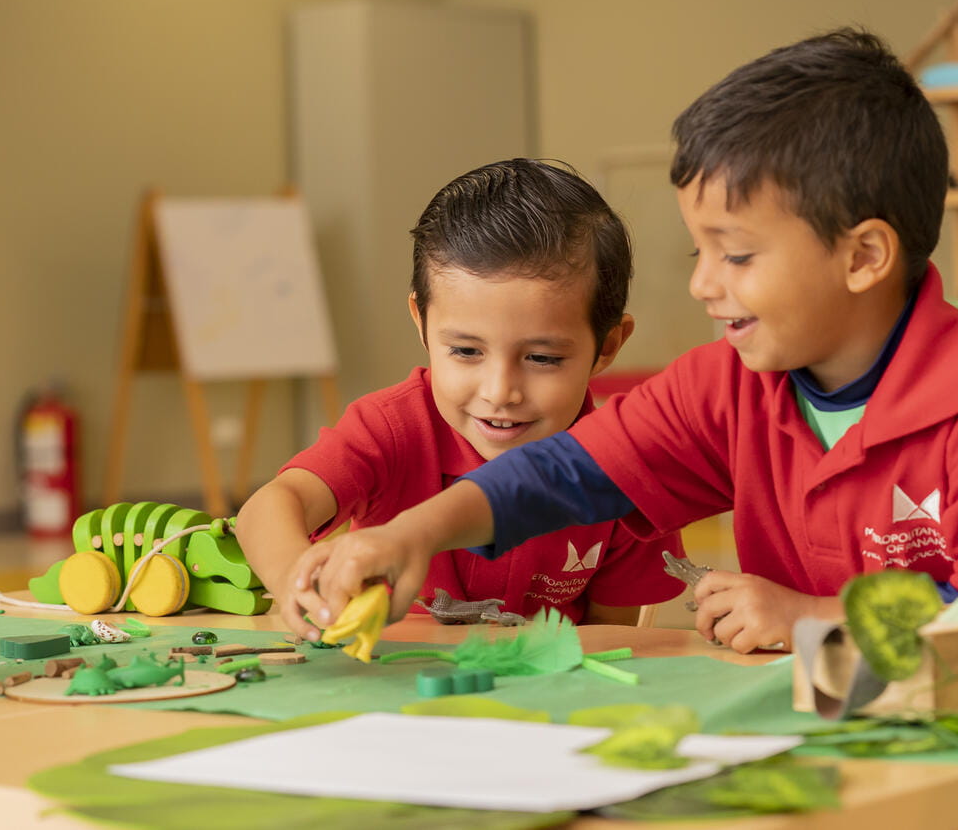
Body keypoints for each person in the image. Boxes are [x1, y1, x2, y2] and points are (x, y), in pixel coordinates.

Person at [290, 28, 958, 657]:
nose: (703, 284)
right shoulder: (734, 383)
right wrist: (412, 535)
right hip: (839, 733)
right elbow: (562, 473)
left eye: (735, 254)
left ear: (864, 256)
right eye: (699, 251)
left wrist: (814, 615)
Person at [235, 158, 685, 640]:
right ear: (421, 321)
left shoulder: (622, 467)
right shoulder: (390, 428)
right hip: (389, 689)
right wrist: (292, 579)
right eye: (467, 351)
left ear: (610, 345)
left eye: (542, 358)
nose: (499, 392)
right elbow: (273, 504)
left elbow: (610, 640)